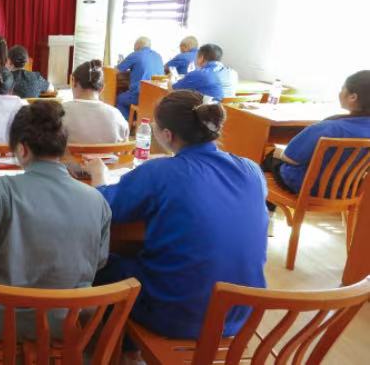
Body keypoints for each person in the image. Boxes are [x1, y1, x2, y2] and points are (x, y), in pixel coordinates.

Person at [86, 90, 267, 340]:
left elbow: (103, 208)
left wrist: (99, 175)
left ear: (167, 135)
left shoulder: (161, 172)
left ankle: (121, 345)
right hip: (239, 316)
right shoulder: (252, 170)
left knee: (100, 263)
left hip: (177, 316)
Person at [0, 101, 110, 339]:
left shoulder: (3, 189)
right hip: (64, 322)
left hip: (3, 320)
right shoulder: (96, 200)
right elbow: (99, 260)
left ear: (22, 150)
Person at [265, 70, 370, 195]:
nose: (340, 93)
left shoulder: (329, 127)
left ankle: (260, 203)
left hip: (308, 188)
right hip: (345, 192)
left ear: (353, 97)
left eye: (342, 89)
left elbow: (290, 158)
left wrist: (278, 152)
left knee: (270, 156)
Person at [62, 60, 129, 144]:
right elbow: (125, 148)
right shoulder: (117, 116)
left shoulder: (59, 113)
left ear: (73, 81)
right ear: (102, 88)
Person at [115, 36, 164, 118]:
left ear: (137, 45)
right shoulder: (158, 56)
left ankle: (126, 123)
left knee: (120, 98)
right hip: (157, 97)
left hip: (140, 95)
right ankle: (134, 120)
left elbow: (117, 70)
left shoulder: (135, 54)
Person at [172, 43, 238, 101]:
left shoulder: (201, 73)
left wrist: (171, 80)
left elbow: (174, 89)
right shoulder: (233, 73)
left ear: (201, 57)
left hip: (208, 109)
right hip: (229, 109)